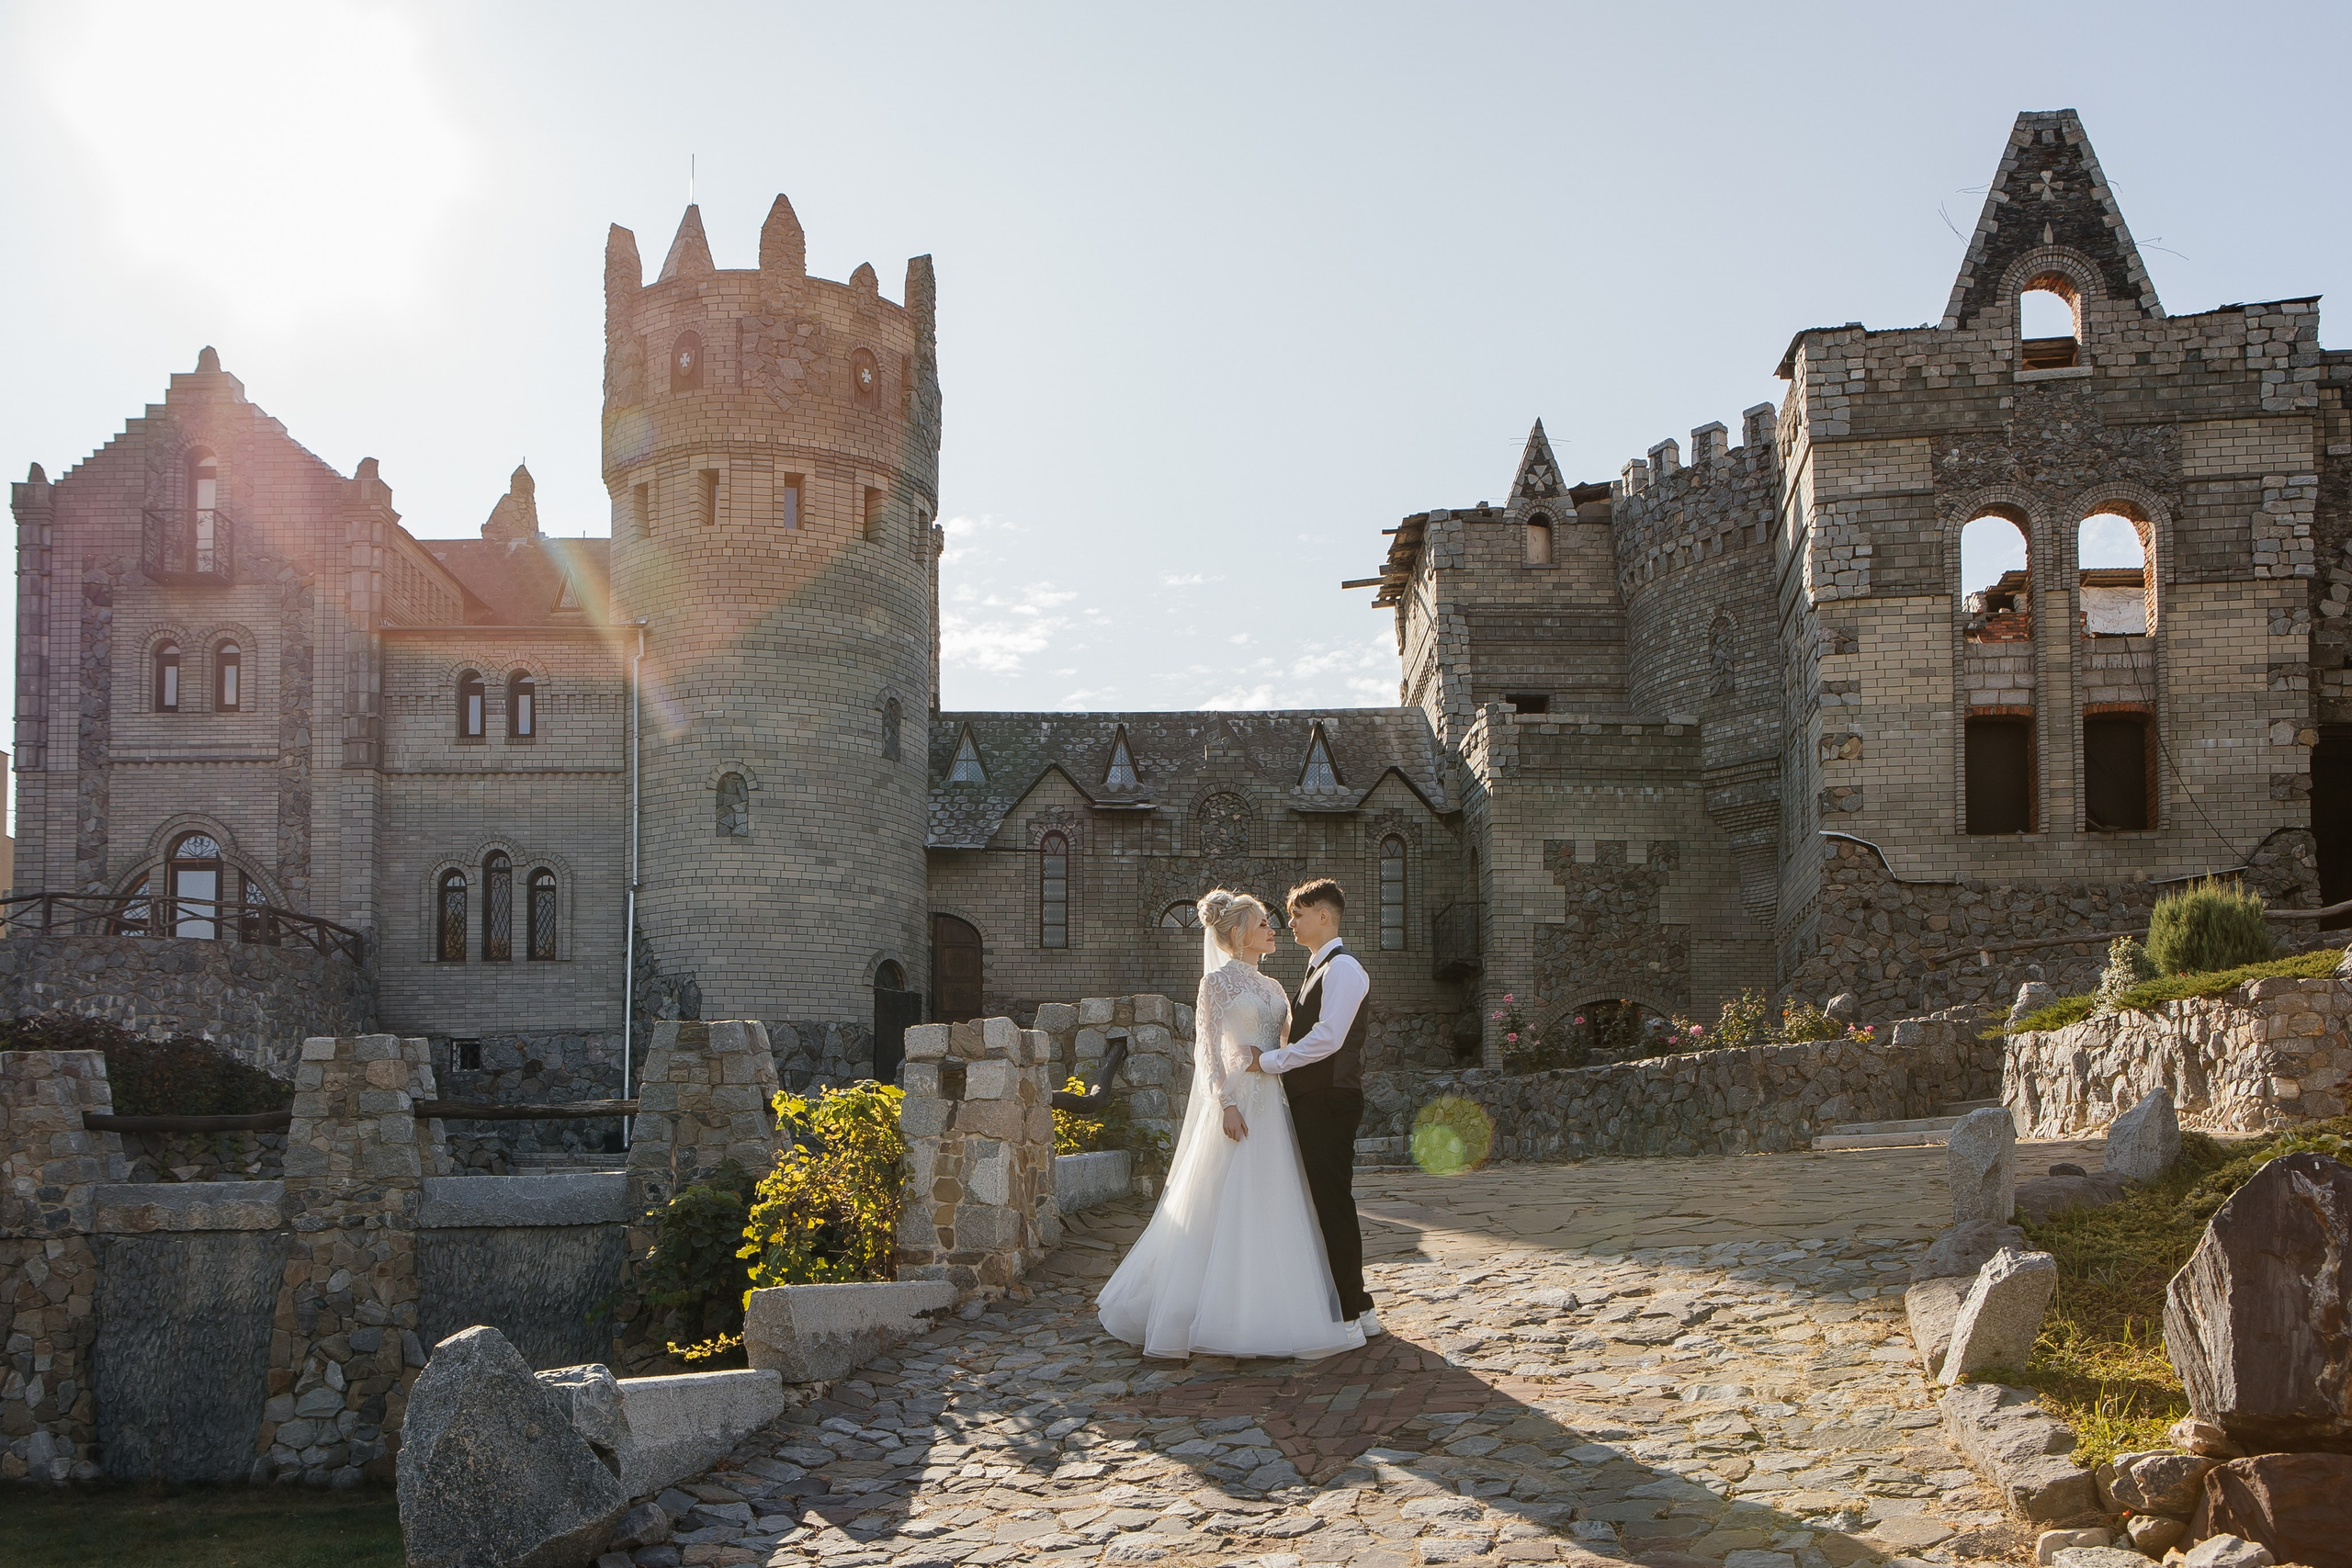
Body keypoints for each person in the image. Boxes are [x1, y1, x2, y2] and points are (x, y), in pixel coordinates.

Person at [1095, 888, 1367, 1360]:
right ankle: (1214, 1306)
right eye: (1264, 922)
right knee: (1225, 1199)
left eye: (1277, 920)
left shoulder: (1278, 987)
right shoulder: (1215, 984)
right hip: (1241, 1100)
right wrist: (1224, 1102)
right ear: (1240, 932)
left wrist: (1280, 1073)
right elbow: (1206, 1050)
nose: (1274, 928)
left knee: (1278, 1199)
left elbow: (1289, 1047)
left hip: (1277, 1104)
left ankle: (1278, 1303)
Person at [1250, 878, 1381, 1337]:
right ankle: (1357, 1307)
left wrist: (1268, 1062)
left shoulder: (1343, 969)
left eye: (1297, 914)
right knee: (1324, 1202)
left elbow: (1328, 1039)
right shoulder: (1316, 968)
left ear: (1323, 915)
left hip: (1331, 1099)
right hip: (1315, 1099)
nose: (1290, 923)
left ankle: (1351, 1311)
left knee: (1332, 1204)